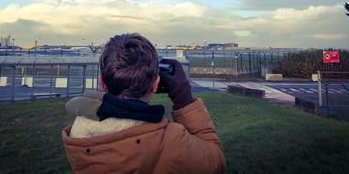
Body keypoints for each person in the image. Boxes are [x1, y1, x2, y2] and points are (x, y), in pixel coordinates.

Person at [62, 33, 226, 174]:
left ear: (102, 83)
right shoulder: (172, 141)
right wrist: (183, 97)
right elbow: (215, 161)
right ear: (155, 84)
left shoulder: (79, 136)